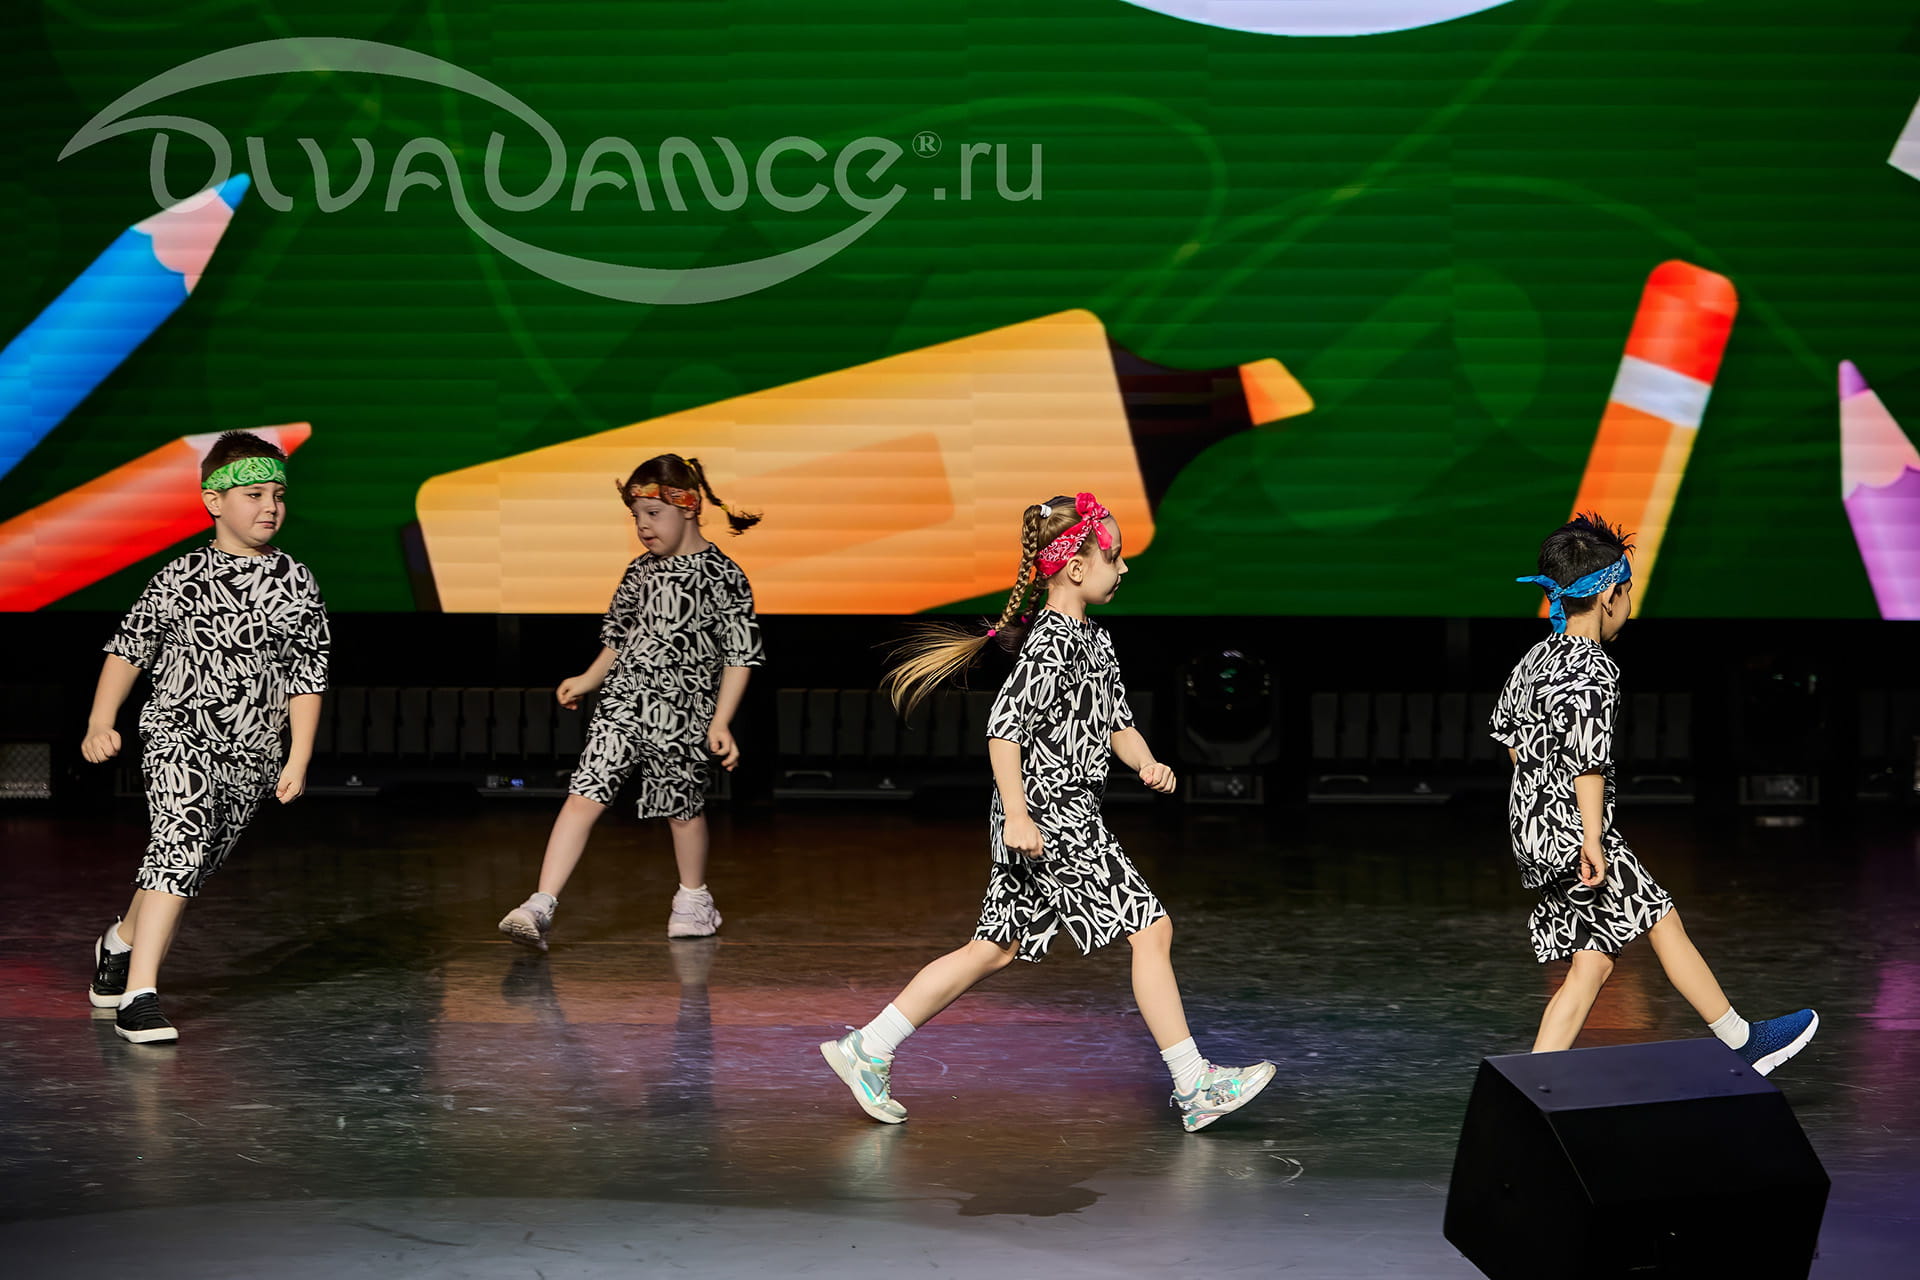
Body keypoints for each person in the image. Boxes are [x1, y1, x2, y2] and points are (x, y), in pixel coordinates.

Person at [820, 493, 1276, 1132]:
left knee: (992, 949)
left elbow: (1116, 723)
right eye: (1115, 556)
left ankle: (868, 1047)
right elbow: (1003, 731)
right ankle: (1194, 1083)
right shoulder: (1050, 646)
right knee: (1151, 929)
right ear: (1077, 568)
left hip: (1054, 812)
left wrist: (1146, 762)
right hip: (1050, 814)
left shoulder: (1092, 641)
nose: (1124, 568)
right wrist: (1017, 815)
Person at [1494, 513, 1817, 1072]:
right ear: (1609, 597)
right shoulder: (1593, 669)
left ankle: (1532, 1081)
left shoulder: (1536, 659)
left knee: (1592, 962)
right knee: (1662, 919)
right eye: (1627, 592)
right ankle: (1742, 1041)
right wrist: (1590, 838)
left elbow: (1511, 740)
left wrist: (1538, 800)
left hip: (1531, 827)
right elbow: (1588, 762)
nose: (1629, 604)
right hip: (1573, 829)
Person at [82, 431, 330, 1044]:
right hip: (178, 736)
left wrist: (297, 756)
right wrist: (100, 720)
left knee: (189, 862)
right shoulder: (181, 576)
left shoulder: (297, 581)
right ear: (214, 501)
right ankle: (139, 997)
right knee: (181, 843)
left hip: (253, 753)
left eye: (277, 495)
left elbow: (307, 674)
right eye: (254, 494)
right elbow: (129, 648)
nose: (270, 506)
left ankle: (119, 942)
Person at [498, 454, 763, 949]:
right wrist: (588, 678)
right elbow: (620, 637)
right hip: (622, 705)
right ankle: (540, 903)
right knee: (584, 795)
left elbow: (740, 654)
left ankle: (693, 898)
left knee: (682, 811)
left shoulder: (723, 575)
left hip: (684, 713)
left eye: (653, 514)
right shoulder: (639, 571)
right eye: (636, 516)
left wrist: (721, 721)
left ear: (689, 507)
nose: (642, 526)